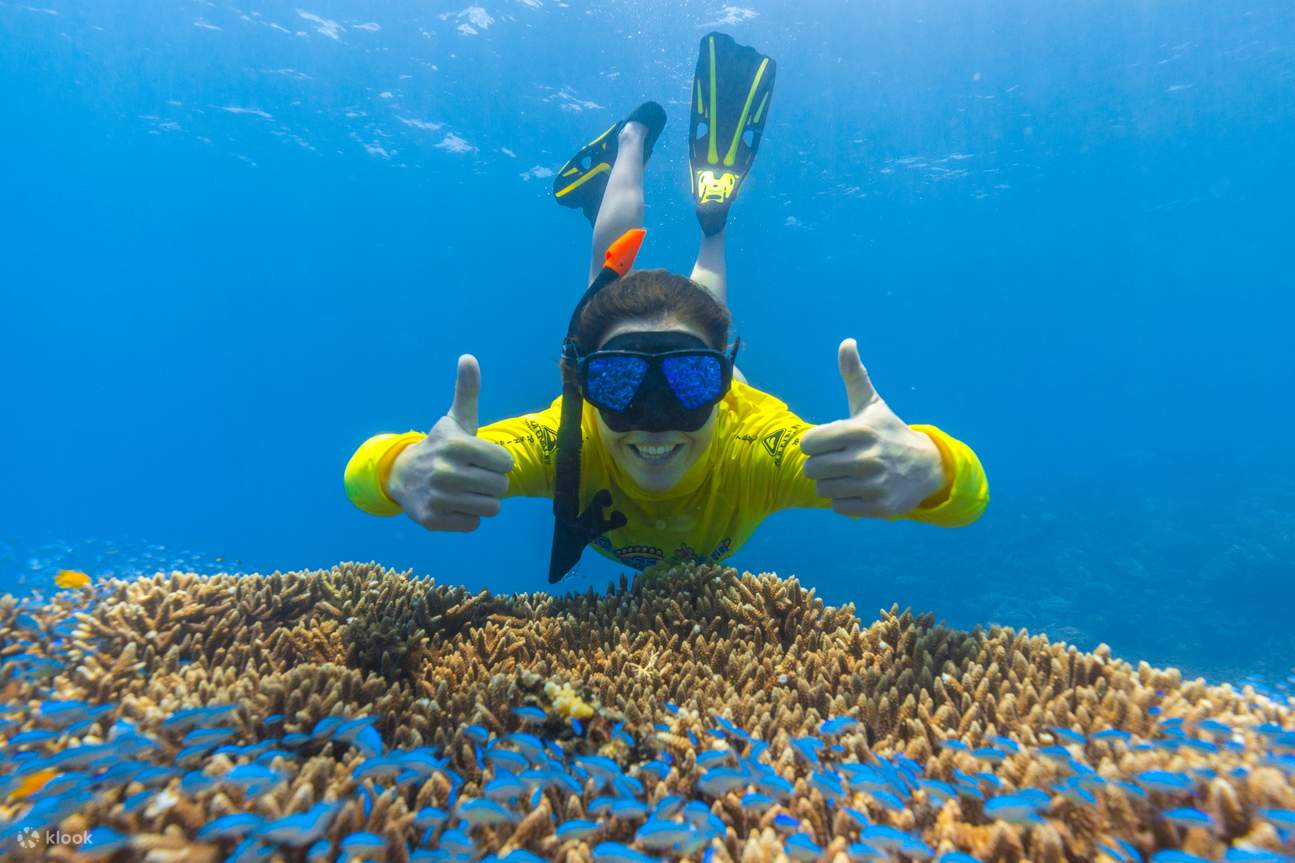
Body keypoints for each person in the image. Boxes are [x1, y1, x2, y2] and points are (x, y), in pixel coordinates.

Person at [345, 33, 989, 581]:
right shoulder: (564, 442)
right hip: (642, 352)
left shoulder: (754, 449)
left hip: (703, 373)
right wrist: (402, 470)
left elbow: (965, 496)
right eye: (620, 382)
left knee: (635, 276)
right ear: (582, 381)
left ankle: (705, 220)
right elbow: (369, 469)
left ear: (722, 378)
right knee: (612, 277)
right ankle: (631, 140)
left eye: (687, 381)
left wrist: (930, 469)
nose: (654, 421)